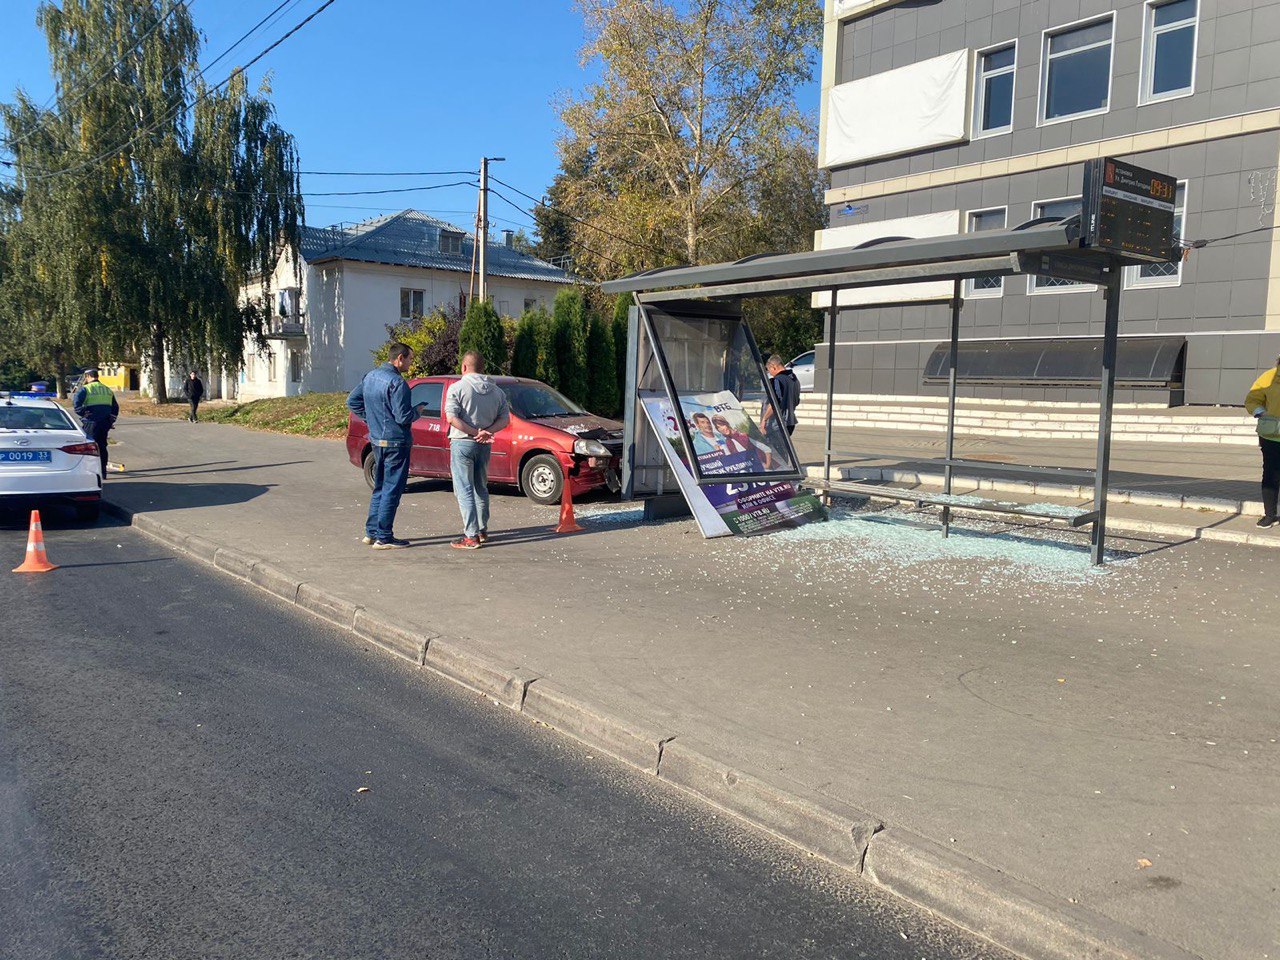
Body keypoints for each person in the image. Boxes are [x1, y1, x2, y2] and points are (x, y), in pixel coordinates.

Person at [347, 342, 419, 549]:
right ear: (399, 359)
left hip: (377, 440)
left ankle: (371, 532)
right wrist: (418, 411)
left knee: (380, 487)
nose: (411, 363)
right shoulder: (398, 382)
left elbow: (353, 401)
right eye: (410, 359)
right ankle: (384, 536)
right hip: (396, 442)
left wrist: (370, 419)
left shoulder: (370, 376)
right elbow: (403, 416)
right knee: (392, 489)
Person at [445, 350, 510, 550]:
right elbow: (505, 419)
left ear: (464, 367)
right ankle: (482, 530)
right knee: (481, 486)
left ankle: (471, 536)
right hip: (484, 445)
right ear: (482, 368)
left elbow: (451, 418)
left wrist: (474, 432)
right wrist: (486, 432)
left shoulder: (457, 388)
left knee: (464, 489)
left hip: (463, 442)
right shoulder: (497, 391)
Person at [1245, 355, 1280, 527]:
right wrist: (1262, 412)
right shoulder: (1268, 377)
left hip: (1272, 435)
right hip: (1271, 436)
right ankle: (1270, 515)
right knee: (1270, 476)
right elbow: (1252, 399)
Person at [72, 368, 118, 477]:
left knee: (89, 447)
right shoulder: (107, 389)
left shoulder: (85, 389)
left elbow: (76, 405)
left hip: (91, 422)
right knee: (102, 446)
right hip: (105, 423)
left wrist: (83, 413)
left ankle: (91, 472)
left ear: (88, 377)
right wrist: (111, 420)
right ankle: (103, 472)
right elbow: (115, 407)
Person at [761, 354, 801, 448]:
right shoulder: (794, 379)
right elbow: (797, 400)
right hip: (790, 421)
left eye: (769, 370)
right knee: (784, 449)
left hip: (777, 423)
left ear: (773, 367)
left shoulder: (777, 380)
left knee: (776, 451)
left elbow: (774, 403)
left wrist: (764, 419)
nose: (770, 373)